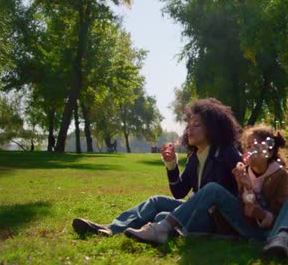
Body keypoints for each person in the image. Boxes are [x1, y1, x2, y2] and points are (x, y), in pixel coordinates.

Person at [124, 125, 288, 257]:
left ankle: (280, 241)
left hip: (272, 231)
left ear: (270, 152)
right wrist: (246, 187)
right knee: (170, 207)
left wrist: (258, 210)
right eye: (247, 146)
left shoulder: (281, 177)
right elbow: (245, 215)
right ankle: (159, 227)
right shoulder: (242, 172)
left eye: (255, 146)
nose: (249, 150)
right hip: (247, 228)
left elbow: (279, 215)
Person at [72, 98, 242, 236]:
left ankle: (161, 229)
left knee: (162, 216)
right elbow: (179, 192)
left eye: (196, 125)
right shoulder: (194, 158)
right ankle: (111, 228)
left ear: (213, 128)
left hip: (214, 217)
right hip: (194, 211)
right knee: (156, 201)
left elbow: (243, 189)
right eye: (188, 126)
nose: (190, 130)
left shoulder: (227, 153)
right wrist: (171, 165)